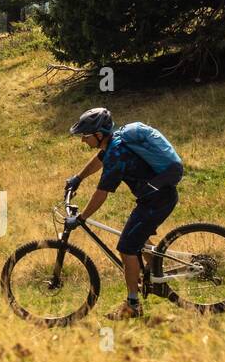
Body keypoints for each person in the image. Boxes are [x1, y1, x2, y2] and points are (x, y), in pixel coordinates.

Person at [63, 107, 185, 319]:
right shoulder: (113, 144)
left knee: (127, 248)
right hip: (153, 199)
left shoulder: (117, 154)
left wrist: (81, 218)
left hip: (157, 201)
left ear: (99, 134)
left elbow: (101, 194)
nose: (83, 140)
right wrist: (78, 178)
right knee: (137, 240)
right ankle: (158, 277)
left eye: (85, 136)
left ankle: (133, 305)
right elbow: (99, 160)